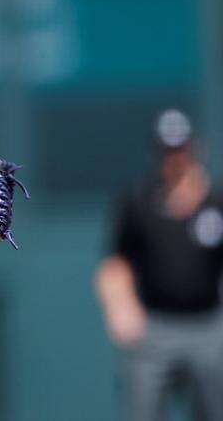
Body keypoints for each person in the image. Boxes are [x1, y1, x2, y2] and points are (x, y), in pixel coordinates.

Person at [95, 109, 223, 421]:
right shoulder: (138, 201)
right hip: (155, 328)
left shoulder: (216, 203)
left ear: (194, 149)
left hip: (208, 326)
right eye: (167, 150)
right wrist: (121, 309)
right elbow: (116, 264)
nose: (175, 159)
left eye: (180, 149)